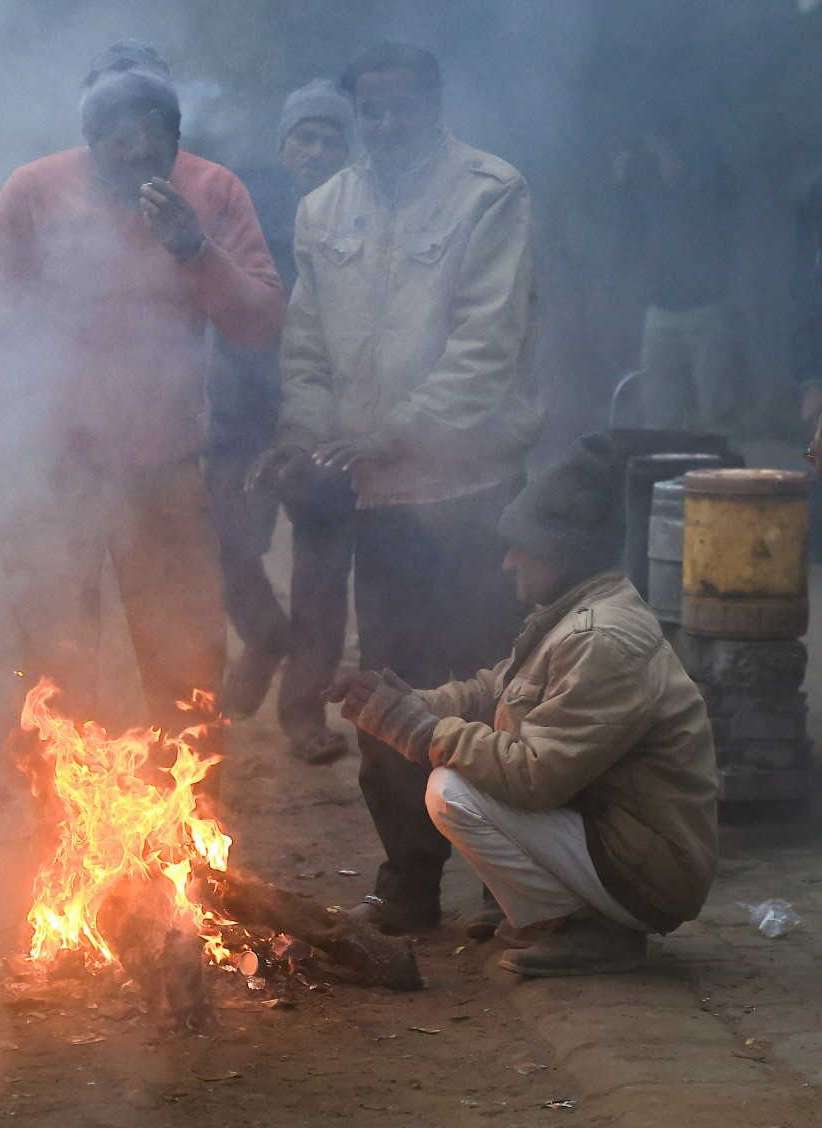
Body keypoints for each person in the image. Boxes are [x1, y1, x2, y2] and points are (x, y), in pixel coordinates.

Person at [253, 43, 540, 934]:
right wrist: (306, 438)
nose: (384, 127)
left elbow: (484, 354)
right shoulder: (322, 208)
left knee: (490, 693)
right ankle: (410, 879)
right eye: (368, 113)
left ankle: (510, 883)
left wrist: (391, 431)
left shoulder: (491, 194)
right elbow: (304, 350)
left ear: (434, 102)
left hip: (470, 490)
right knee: (387, 692)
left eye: (400, 109)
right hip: (376, 500)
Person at [327, 434, 717, 976]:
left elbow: (536, 776)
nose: (507, 563)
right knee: (457, 775)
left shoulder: (598, 638)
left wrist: (421, 731)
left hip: (648, 871)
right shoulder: (574, 610)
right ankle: (559, 918)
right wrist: (401, 701)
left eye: (521, 548)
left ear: (562, 554)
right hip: (623, 842)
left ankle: (591, 930)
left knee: (453, 792)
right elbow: (494, 691)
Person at [0, 58, 283, 738]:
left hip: (167, 465)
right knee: (53, 650)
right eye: (120, 146)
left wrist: (193, 247)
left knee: (185, 654)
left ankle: (186, 799)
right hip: (60, 467)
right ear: (89, 143)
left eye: (158, 144)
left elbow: (261, 323)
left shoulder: (212, 190)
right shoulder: (33, 191)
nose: (141, 158)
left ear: (177, 140)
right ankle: (64, 802)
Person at [210, 78, 355, 767]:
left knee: (322, 567)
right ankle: (264, 636)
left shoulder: (360, 214)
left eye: (332, 138)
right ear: (283, 144)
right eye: (305, 135)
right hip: (242, 405)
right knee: (229, 544)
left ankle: (304, 709)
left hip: (327, 411)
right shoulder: (242, 205)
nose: (317, 150)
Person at [613, 119, 737, 432]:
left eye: (663, 149)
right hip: (660, 312)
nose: (658, 157)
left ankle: (720, 473)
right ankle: (660, 471)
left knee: (716, 408)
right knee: (658, 409)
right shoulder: (645, 191)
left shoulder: (707, 187)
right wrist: (621, 182)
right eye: (653, 152)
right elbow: (624, 234)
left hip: (705, 308)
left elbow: (726, 214)